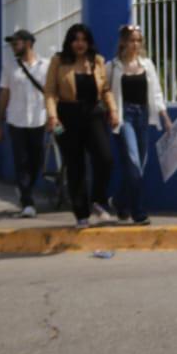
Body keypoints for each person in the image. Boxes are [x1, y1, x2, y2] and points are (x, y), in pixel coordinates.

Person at [44, 23, 119, 228]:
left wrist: (112, 110)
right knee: (75, 165)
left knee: (105, 158)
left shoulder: (97, 61)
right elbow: (50, 91)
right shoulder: (58, 61)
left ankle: (97, 199)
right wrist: (52, 116)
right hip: (65, 117)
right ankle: (81, 214)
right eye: (76, 39)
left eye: (84, 39)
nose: (80, 44)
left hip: (94, 114)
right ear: (69, 42)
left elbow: (105, 90)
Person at [106, 24, 172, 226]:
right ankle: (138, 212)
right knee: (134, 163)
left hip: (143, 115)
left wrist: (165, 117)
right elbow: (106, 93)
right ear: (123, 42)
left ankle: (118, 201)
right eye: (132, 39)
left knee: (139, 167)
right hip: (124, 116)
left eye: (138, 40)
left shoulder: (147, 64)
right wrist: (112, 113)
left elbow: (157, 92)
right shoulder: (113, 66)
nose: (135, 44)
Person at [0, 28, 49, 217]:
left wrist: (53, 116)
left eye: (16, 43)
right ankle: (28, 201)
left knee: (37, 161)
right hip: (16, 120)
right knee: (21, 161)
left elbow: (51, 94)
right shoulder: (10, 66)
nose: (12, 47)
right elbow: (4, 93)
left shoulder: (45, 65)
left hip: (39, 120)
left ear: (28, 43)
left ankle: (25, 188)